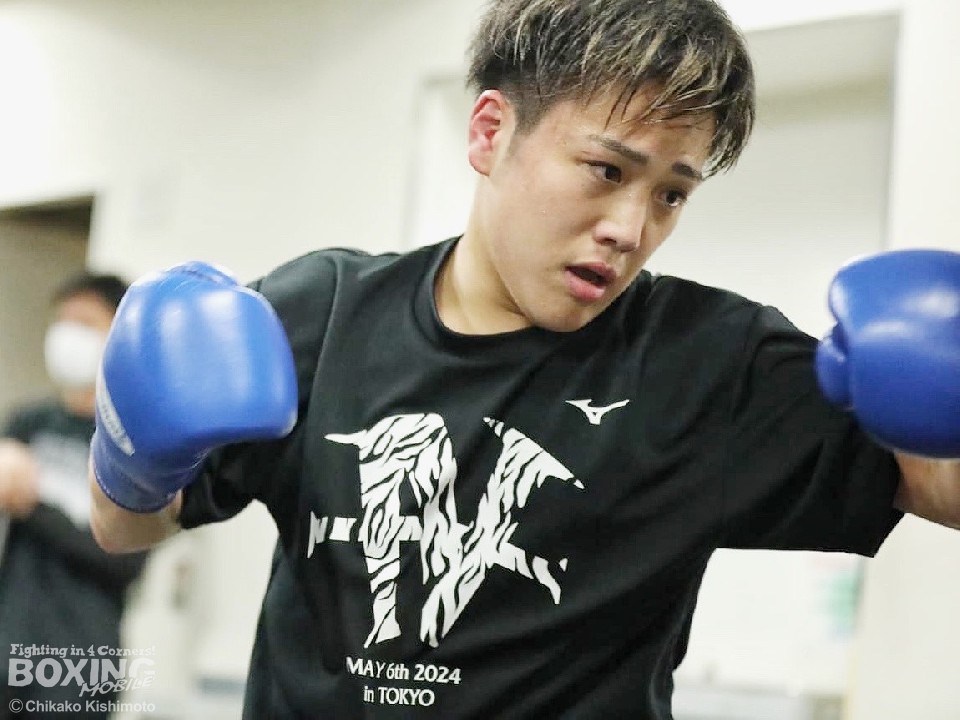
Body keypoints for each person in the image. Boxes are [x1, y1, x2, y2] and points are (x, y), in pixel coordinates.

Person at [87, 1, 960, 718]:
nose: (631, 229)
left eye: (671, 194)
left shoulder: (707, 360)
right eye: (606, 171)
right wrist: (134, 461)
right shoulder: (324, 312)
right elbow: (124, 527)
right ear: (490, 132)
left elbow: (938, 488)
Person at [0, 272, 147, 719]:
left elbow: (125, 558)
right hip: (9, 646)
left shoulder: (134, 441)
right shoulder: (28, 423)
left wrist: (32, 503)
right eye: (63, 321)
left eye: (84, 323)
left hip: (81, 662)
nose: (68, 336)